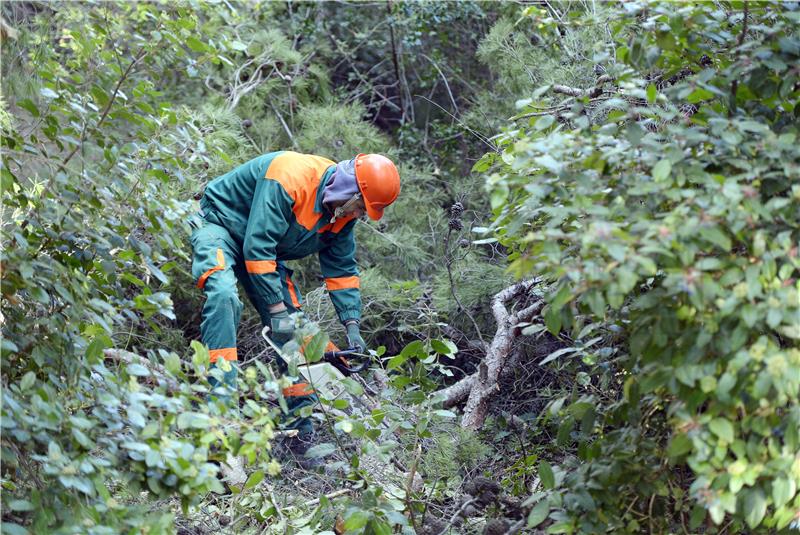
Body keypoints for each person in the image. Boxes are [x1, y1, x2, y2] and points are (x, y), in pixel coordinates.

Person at [189, 150, 400, 458]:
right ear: (351, 191)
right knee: (224, 297)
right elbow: (257, 248)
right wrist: (276, 314)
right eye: (360, 208)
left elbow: (341, 271)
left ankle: (299, 437)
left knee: (296, 332)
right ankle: (218, 417)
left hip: (263, 252)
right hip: (220, 225)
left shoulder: (340, 215)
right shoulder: (289, 177)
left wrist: (352, 327)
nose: (359, 216)